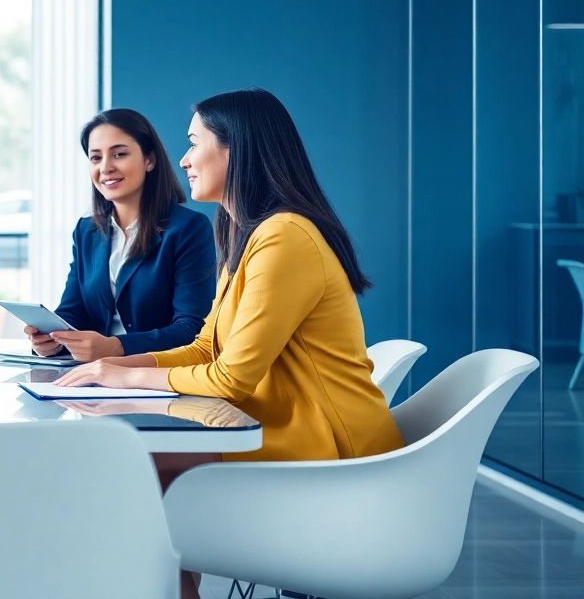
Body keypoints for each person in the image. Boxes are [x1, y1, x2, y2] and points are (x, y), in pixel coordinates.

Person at [55, 89, 405, 599]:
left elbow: (231, 376)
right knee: (129, 472)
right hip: (283, 429)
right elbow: (204, 348)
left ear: (234, 150)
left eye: (195, 142)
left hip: (324, 452)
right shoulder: (248, 235)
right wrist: (112, 366)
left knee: (129, 473)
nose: (184, 158)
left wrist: (122, 371)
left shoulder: (285, 237)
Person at [25, 109, 217, 362]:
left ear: (150, 160)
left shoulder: (188, 228)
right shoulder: (87, 231)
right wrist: (51, 340)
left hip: (157, 375)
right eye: (95, 158)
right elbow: (74, 311)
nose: (105, 167)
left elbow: (192, 330)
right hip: (94, 375)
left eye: (119, 154)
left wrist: (117, 346)